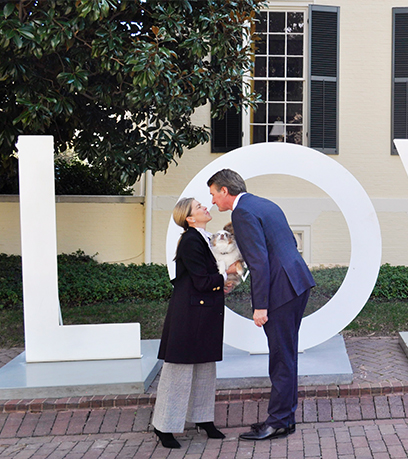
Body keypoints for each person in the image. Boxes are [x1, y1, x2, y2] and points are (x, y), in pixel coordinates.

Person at [207, 169, 315, 441]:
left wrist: (261, 306)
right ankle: (284, 419)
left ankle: (278, 421)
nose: (212, 202)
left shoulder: (241, 212)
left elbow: (259, 262)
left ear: (224, 191)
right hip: (296, 282)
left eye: (213, 194)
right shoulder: (264, 203)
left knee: (281, 357)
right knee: (286, 355)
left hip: (281, 290)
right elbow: (288, 242)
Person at [152, 197, 227, 448]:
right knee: (179, 371)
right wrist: (225, 276)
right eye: (198, 207)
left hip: (203, 312)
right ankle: (164, 426)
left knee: (205, 367)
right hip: (189, 314)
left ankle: (203, 419)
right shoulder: (190, 241)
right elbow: (202, 281)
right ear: (189, 218)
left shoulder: (205, 238)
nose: (205, 207)